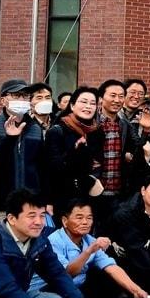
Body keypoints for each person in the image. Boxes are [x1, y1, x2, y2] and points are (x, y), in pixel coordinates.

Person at [33, 198, 149, 298]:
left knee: (106, 277)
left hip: (79, 287)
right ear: (65, 221)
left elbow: (111, 267)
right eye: (79, 218)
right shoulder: (53, 240)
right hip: (52, 288)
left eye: (89, 218)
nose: (85, 222)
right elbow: (65, 274)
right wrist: (89, 250)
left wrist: (135, 290)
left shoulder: (90, 240)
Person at [0, 79, 46, 232]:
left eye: (25, 96)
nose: (22, 100)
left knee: (28, 252)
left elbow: (41, 167)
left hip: (30, 205)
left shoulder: (35, 128)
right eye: (16, 95)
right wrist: (9, 138)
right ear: (3, 100)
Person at [105, 173, 150, 298]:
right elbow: (136, 250)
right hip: (118, 271)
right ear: (143, 190)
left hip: (142, 268)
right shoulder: (126, 214)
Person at [41, 87, 106, 216]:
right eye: (83, 102)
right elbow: (50, 169)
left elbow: (98, 162)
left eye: (92, 103)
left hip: (88, 195)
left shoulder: (97, 132)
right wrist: (75, 150)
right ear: (72, 105)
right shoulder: (57, 131)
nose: (88, 106)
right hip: (62, 197)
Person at [95, 79, 132, 196]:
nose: (117, 100)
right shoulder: (92, 123)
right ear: (101, 98)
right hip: (95, 191)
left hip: (118, 192)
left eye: (121, 96)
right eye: (113, 95)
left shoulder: (124, 125)